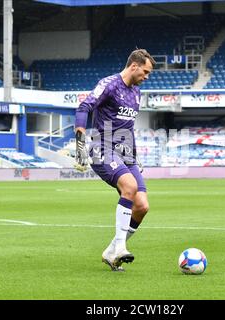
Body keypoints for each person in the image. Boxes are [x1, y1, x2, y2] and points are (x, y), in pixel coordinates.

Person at [74, 49, 155, 271]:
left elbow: (127, 128)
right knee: (129, 186)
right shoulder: (109, 84)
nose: (146, 77)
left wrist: (135, 158)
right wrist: (80, 142)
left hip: (126, 154)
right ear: (134, 66)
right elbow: (84, 106)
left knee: (142, 206)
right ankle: (120, 248)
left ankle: (111, 251)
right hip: (102, 147)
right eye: (145, 72)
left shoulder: (136, 93)